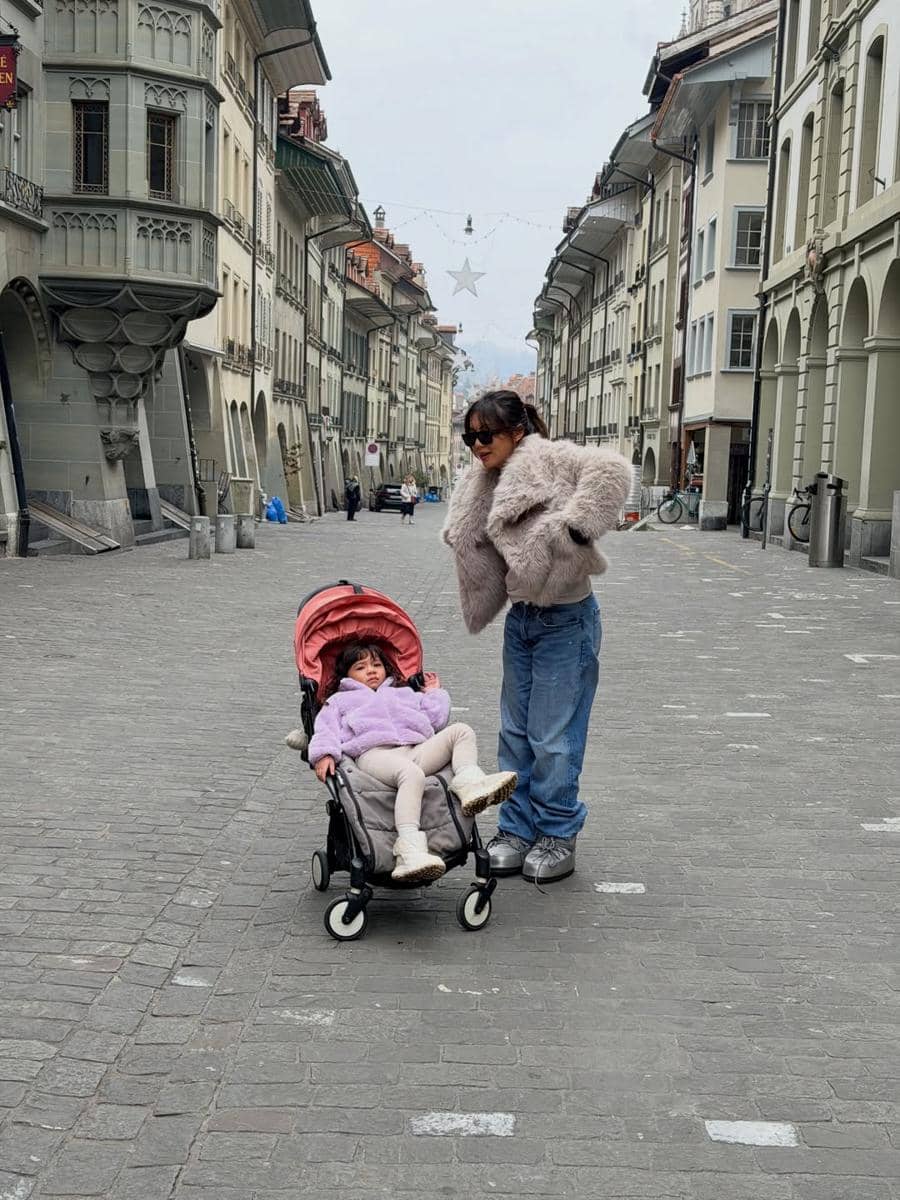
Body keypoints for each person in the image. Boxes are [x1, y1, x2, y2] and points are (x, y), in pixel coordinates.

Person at [441, 390, 632, 884]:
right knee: (516, 734)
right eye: (470, 437)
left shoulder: (549, 457)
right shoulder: (480, 479)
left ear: (517, 432)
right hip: (522, 620)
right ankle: (516, 829)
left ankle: (557, 834)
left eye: (487, 435)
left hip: (566, 620)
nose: (477, 445)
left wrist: (572, 532)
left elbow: (613, 472)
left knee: (554, 738)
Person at [308, 642, 517, 883]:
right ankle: (409, 849)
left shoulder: (403, 693)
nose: (372, 670)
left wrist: (434, 694)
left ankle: (470, 785)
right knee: (412, 774)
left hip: (414, 748)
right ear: (347, 675)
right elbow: (325, 730)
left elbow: (436, 719)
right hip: (374, 754)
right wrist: (324, 754)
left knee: (462, 731)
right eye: (361, 667)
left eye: (377, 665)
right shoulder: (340, 701)